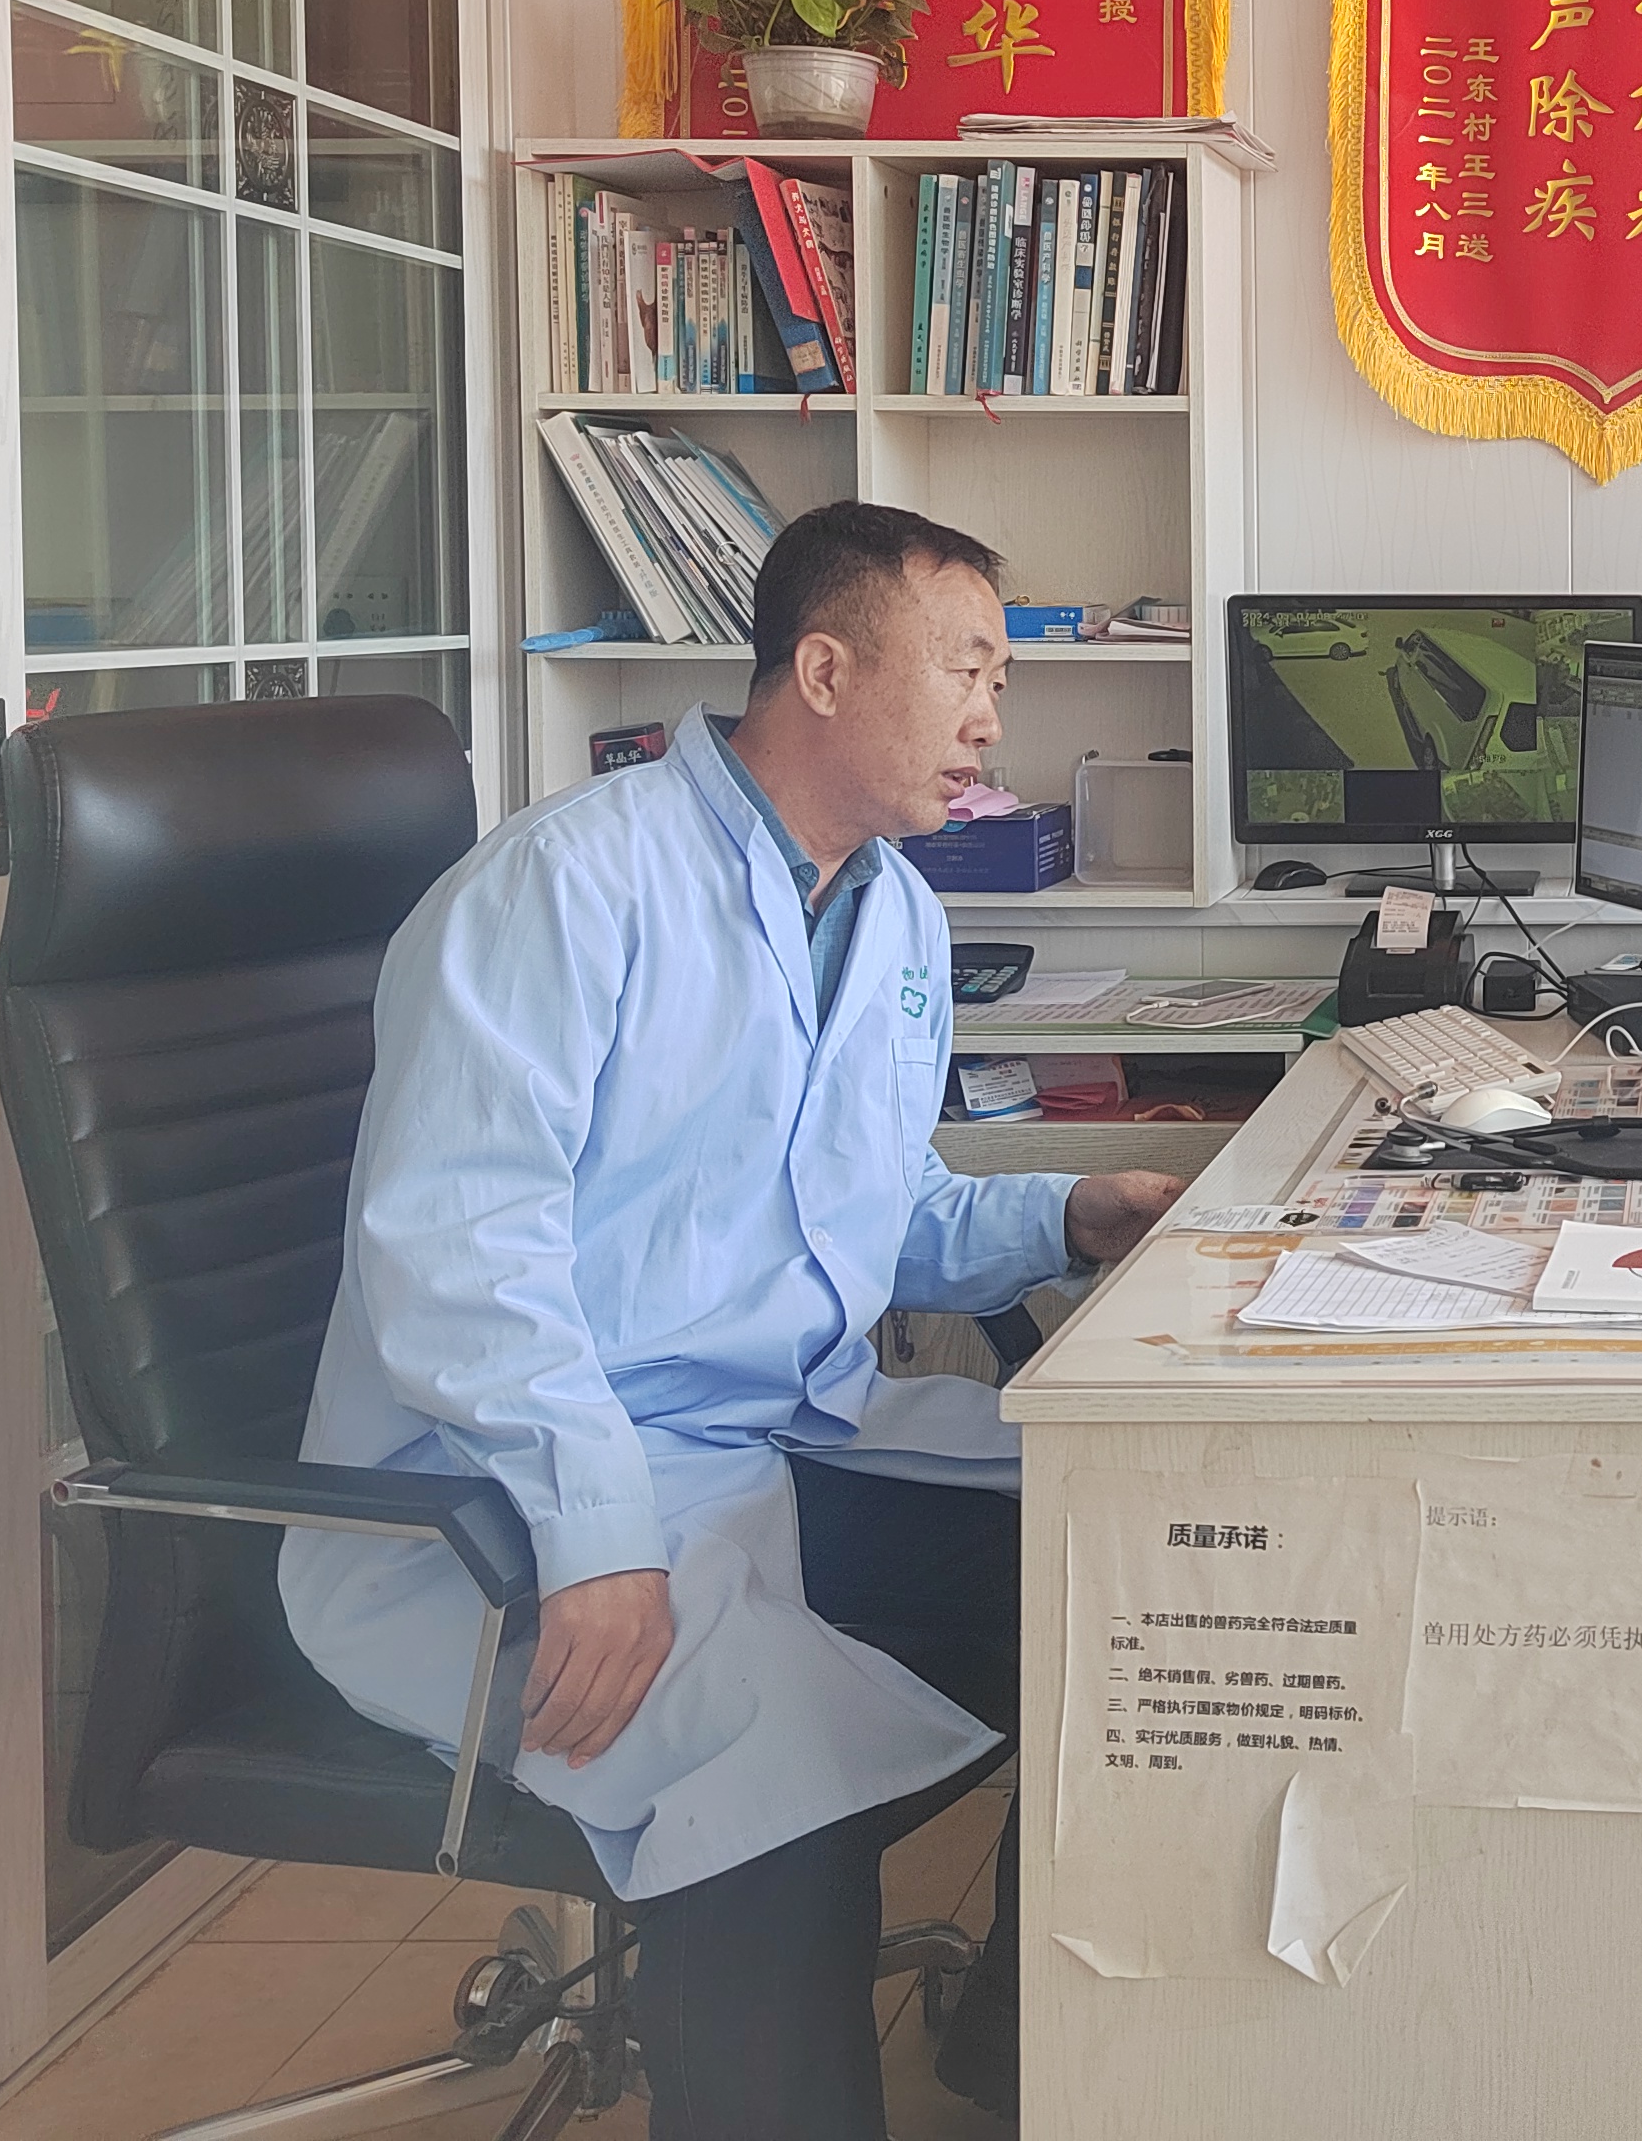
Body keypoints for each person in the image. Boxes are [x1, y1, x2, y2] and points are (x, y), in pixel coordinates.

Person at [281, 504, 1181, 2139]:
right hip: (512, 1504)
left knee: (1135, 1571)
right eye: (967, 669)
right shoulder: (567, 886)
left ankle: (1020, 2064)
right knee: (771, 1782)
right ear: (824, 671)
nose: (995, 717)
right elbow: (460, 1255)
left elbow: (863, 1215)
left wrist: (1067, 1215)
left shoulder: (892, 914)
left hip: (777, 1445)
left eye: (1000, 677)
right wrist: (597, 1534)